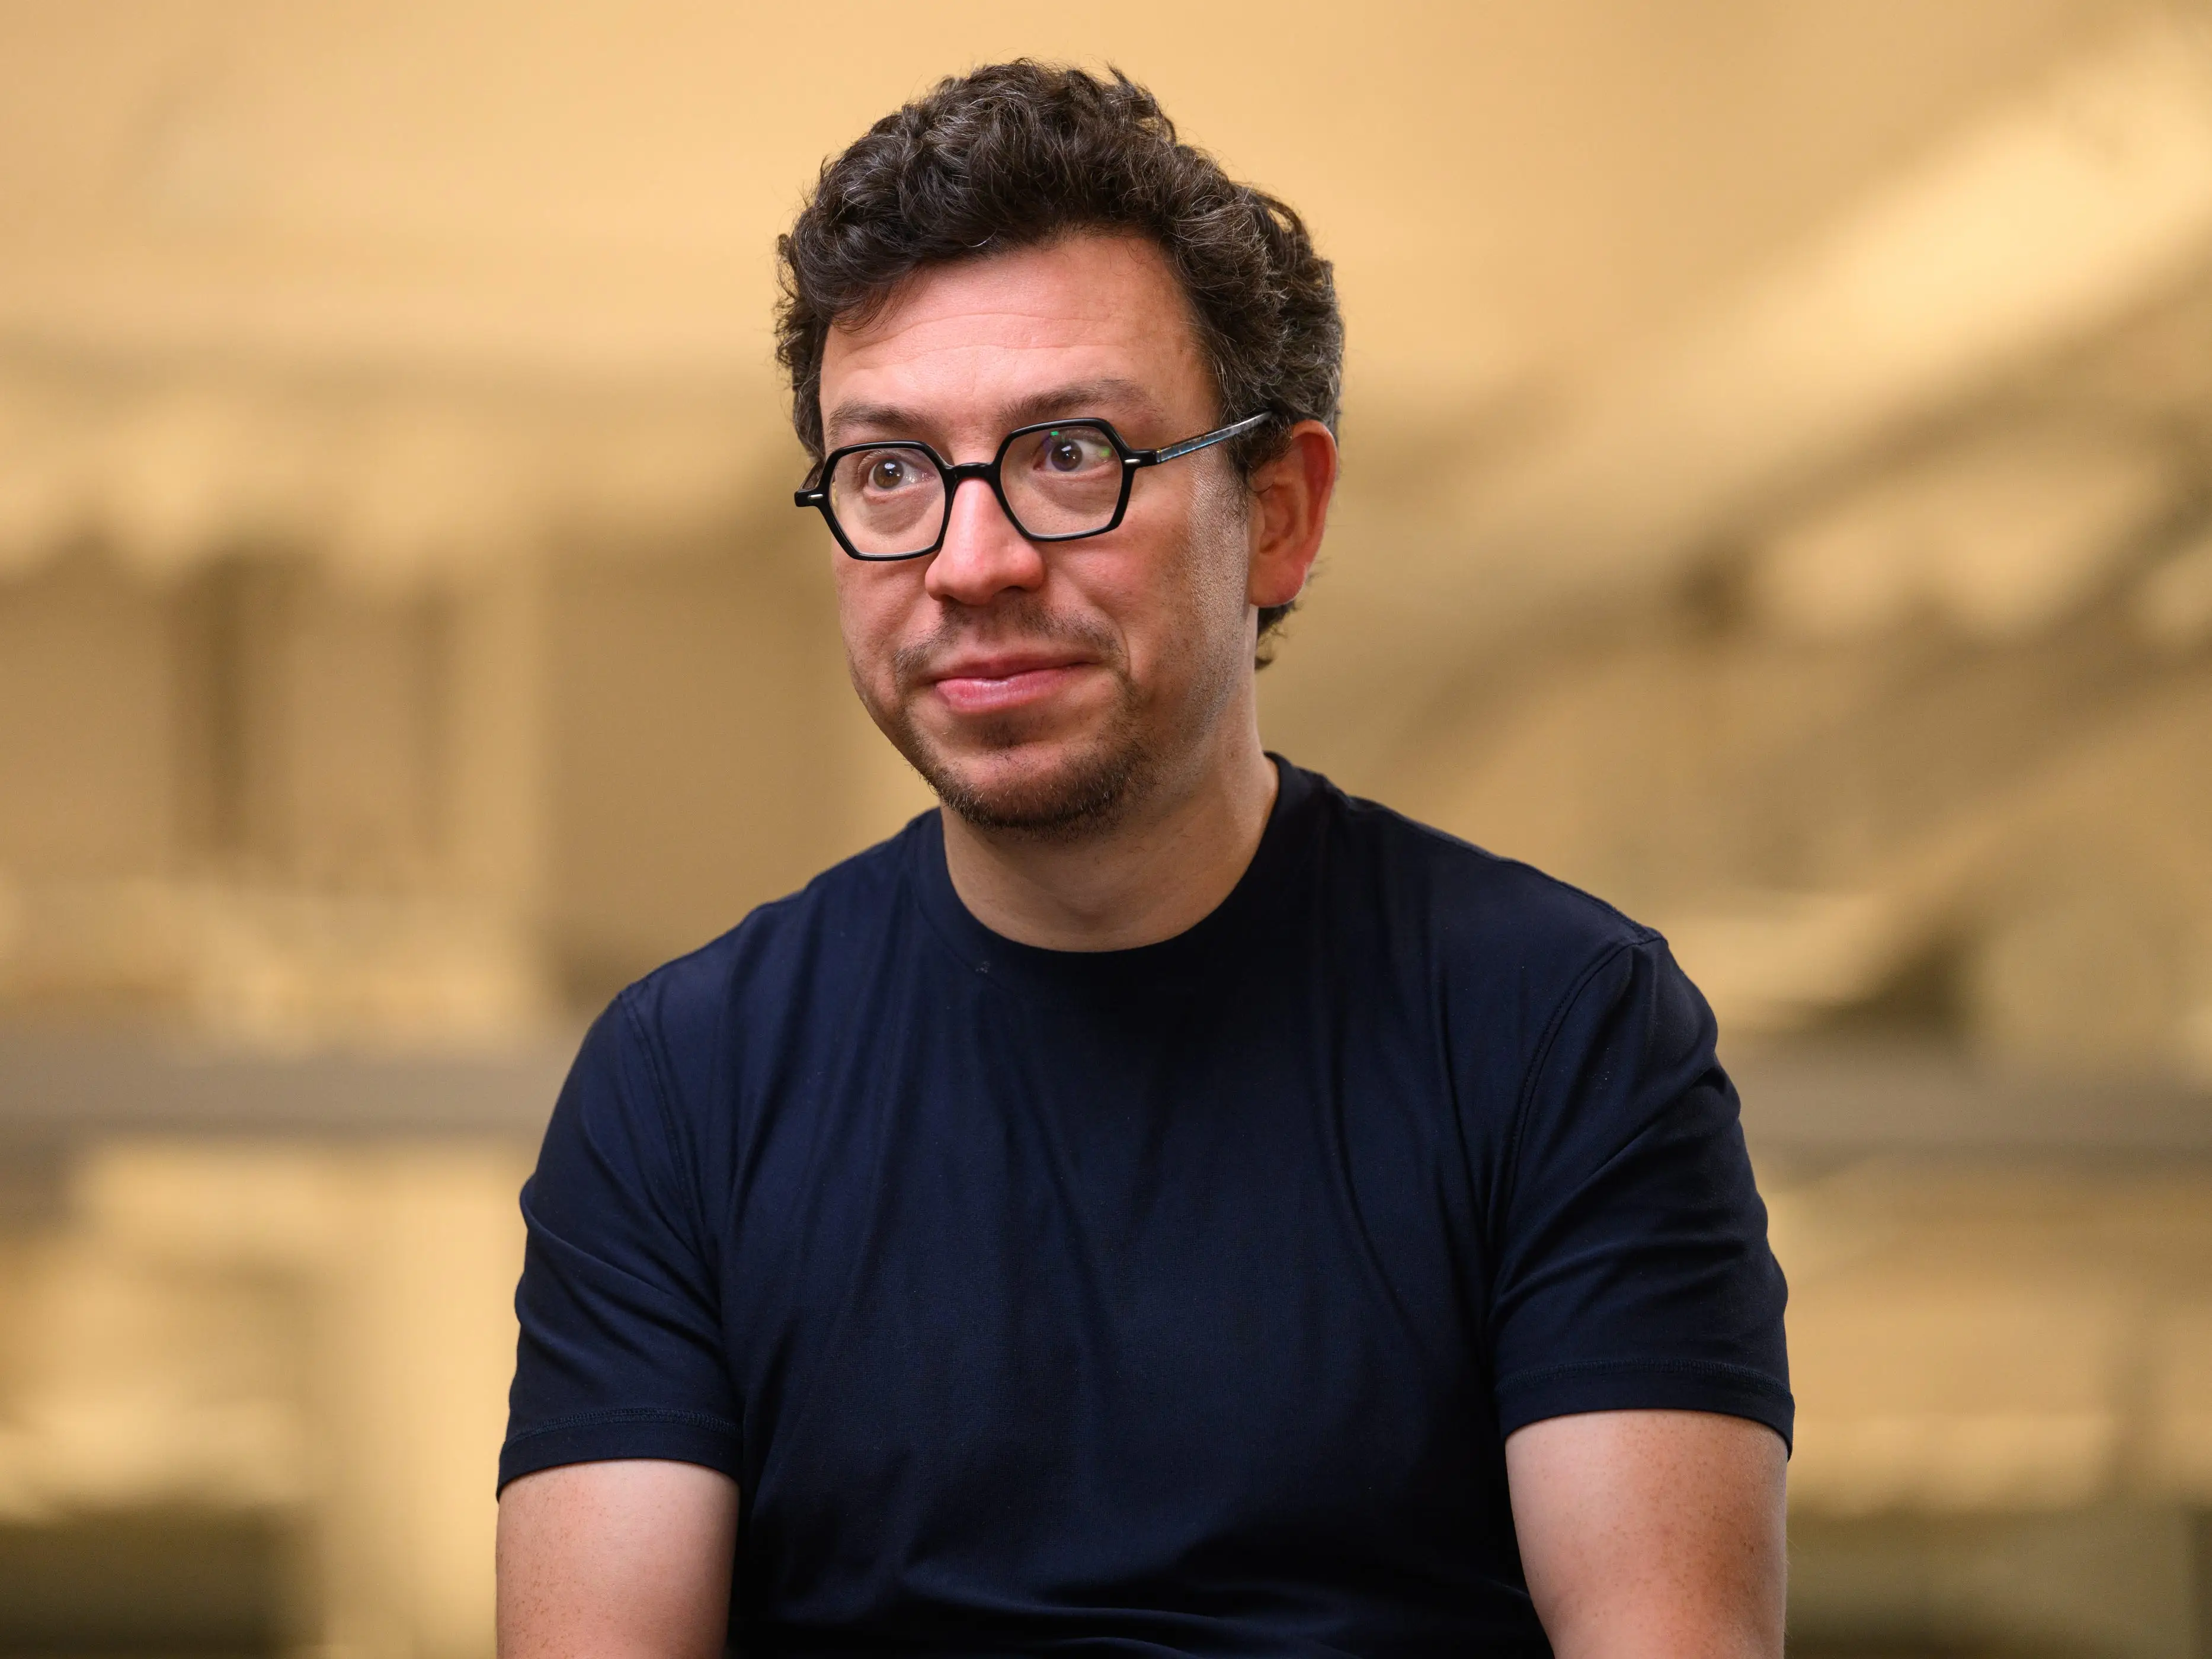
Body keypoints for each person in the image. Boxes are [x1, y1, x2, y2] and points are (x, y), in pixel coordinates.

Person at [495, 62, 1790, 1659]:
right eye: (887, 471)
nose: (969, 562)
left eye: (1068, 454)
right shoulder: (683, 1086)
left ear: (1280, 514)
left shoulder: (1556, 1027)